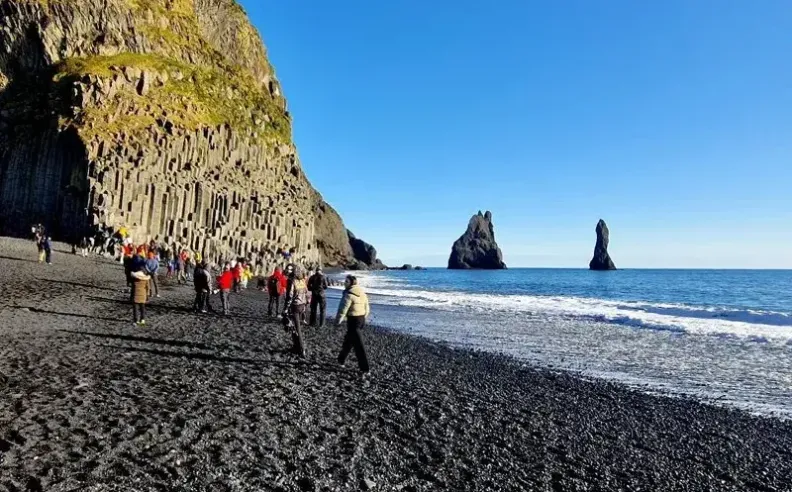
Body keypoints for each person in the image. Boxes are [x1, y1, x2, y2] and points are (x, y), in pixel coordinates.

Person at [336, 275, 371, 375]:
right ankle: (340, 360)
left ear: (351, 283)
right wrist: (364, 316)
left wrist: (337, 322)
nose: (344, 283)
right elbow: (367, 307)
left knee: (359, 345)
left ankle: (365, 368)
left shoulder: (348, 294)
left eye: (346, 281)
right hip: (361, 319)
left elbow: (342, 310)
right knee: (349, 341)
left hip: (353, 321)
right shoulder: (362, 293)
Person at [283, 265, 308, 358]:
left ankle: (301, 349)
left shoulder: (291, 281)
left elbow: (289, 296)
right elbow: (306, 292)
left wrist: (285, 308)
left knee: (296, 328)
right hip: (302, 305)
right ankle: (296, 347)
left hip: (295, 306)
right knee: (294, 327)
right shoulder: (302, 280)